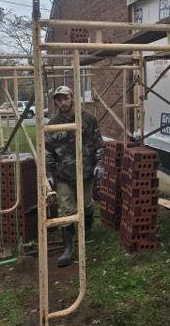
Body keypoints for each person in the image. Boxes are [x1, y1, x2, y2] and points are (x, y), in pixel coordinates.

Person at [45, 85, 104, 267]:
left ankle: (86, 229)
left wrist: (100, 164)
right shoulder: (53, 125)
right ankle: (68, 248)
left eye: (66, 98)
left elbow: (99, 144)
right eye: (59, 100)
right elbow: (47, 151)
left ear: (72, 97)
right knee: (66, 210)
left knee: (86, 205)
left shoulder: (88, 120)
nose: (63, 103)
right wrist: (48, 173)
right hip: (64, 175)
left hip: (85, 172)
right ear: (56, 102)